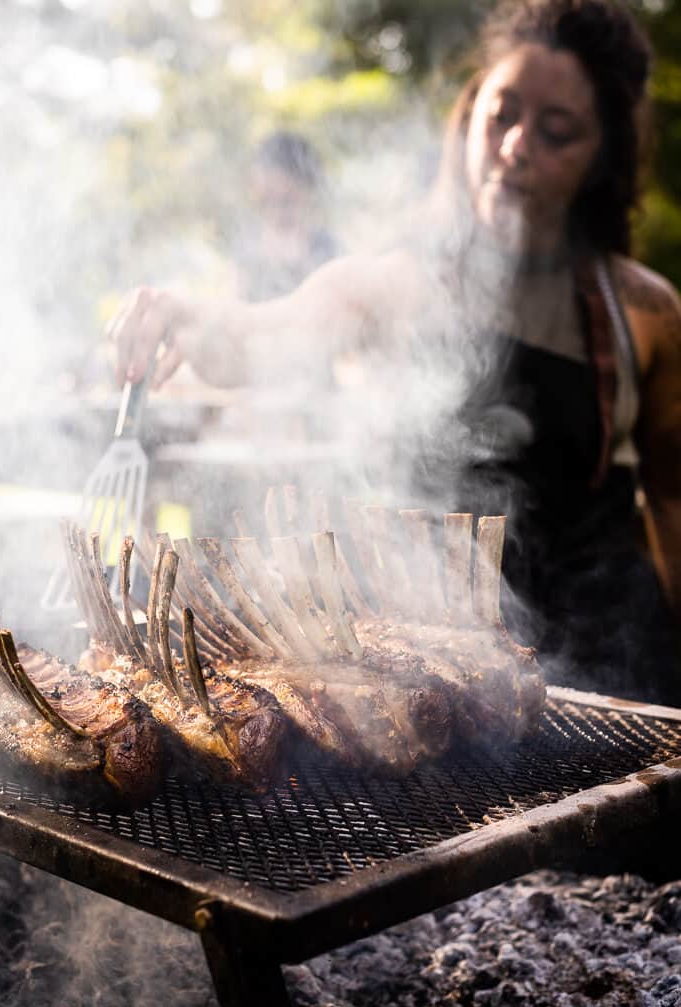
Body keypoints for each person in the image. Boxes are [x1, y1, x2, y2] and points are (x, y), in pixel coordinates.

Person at [107, 0, 681, 703]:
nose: (515, 146)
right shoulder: (394, 285)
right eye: (501, 114)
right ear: (469, 116)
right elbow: (258, 341)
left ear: (602, 157)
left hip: (620, 672)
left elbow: (672, 499)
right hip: (449, 681)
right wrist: (182, 311)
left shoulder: (644, 311)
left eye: (557, 131)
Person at [229, 130, 338, 302]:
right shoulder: (247, 248)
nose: (274, 211)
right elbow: (236, 305)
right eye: (264, 201)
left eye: (286, 201)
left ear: (307, 190)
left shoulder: (326, 248)